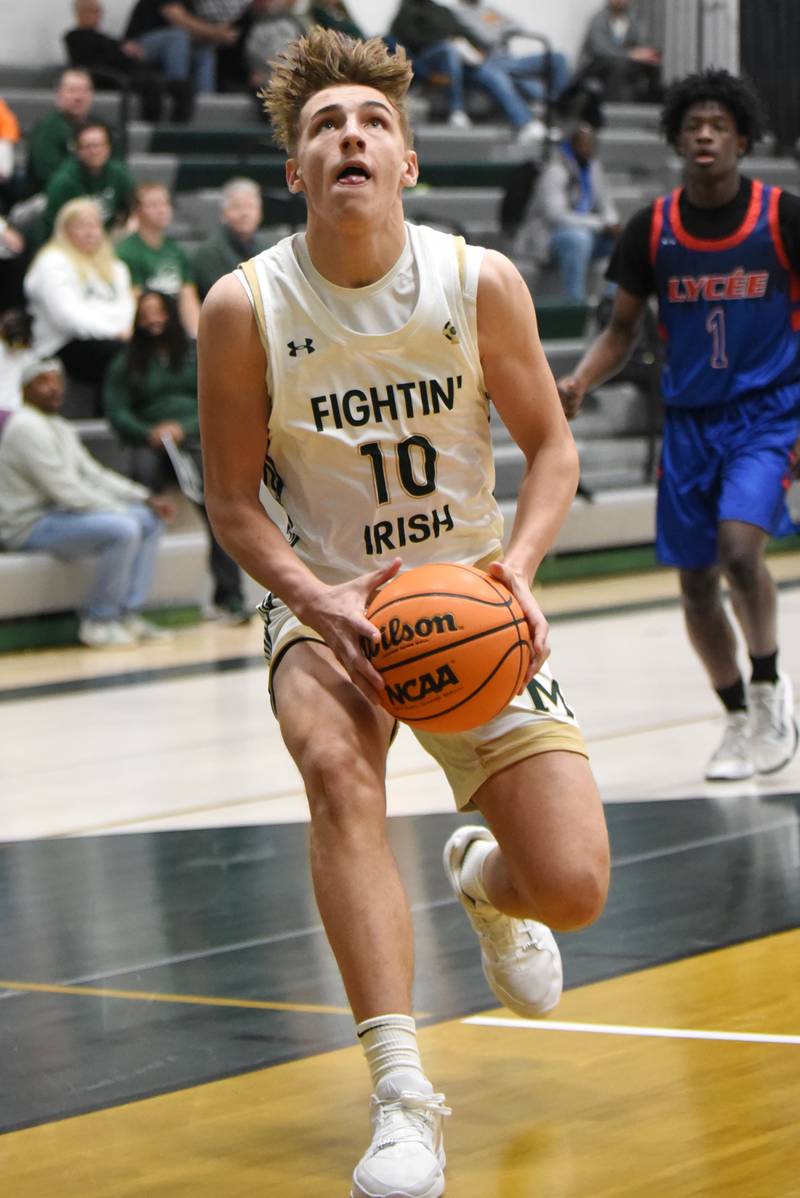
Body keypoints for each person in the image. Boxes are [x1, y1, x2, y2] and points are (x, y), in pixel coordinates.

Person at [197, 28, 609, 1198]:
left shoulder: (476, 281)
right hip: (326, 598)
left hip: (468, 599)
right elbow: (230, 503)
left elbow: (552, 450)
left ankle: (483, 880)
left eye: (371, 123)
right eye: (325, 126)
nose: (349, 138)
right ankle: (400, 1095)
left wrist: (517, 573)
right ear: (296, 173)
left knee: (573, 887)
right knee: (336, 769)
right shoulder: (245, 306)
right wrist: (315, 600)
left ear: (407, 162)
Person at [558, 69, 800, 783]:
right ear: (674, 139)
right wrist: (578, 381)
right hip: (690, 423)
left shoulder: (783, 216)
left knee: (739, 549)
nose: (704, 135)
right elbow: (622, 330)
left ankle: (769, 686)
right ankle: (735, 718)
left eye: (718, 126)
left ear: (742, 140)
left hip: (768, 412)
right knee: (694, 583)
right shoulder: (651, 229)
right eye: (692, 125)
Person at [0, 358, 175, 648]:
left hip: (57, 516)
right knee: (123, 528)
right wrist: (118, 509)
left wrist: (143, 496)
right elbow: (64, 490)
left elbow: (93, 474)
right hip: (27, 525)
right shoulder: (25, 427)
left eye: (57, 381)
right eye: (43, 381)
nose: (53, 388)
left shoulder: (57, 425)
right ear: (26, 389)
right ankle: (100, 620)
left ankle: (126, 613)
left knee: (149, 519)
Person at [104, 289, 248, 622]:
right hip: (149, 443)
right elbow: (117, 411)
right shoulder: (125, 362)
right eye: (145, 315)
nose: (153, 320)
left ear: (171, 314)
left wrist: (184, 426)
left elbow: (218, 399)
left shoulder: (196, 353)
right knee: (141, 494)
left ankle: (230, 598)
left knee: (218, 507)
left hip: (195, 439)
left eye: (159, 313)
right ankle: (130, 602)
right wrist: (148, 432)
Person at [389, 0, 546, 142]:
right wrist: (445, 40)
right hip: (433, 60)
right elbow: (410, 40)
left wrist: (477, 48)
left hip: (462, 63)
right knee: (449, 49)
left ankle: (526, 123)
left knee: (495, 76)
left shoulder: (444, 11)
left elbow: (465, 32)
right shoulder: (406, 12)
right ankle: (456, 110)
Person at [24, 197, 135, 393]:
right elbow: (67, 317)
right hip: (64, 345)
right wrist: (112, 332)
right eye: (81, 226)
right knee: (121, 359)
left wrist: (119, 331)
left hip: (113, 339)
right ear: (64, 230)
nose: (89, 232)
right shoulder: (52, 262)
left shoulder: (115, 266)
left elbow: (126, 308)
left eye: (94, 226)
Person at [519, 121, 620, 301]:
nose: (588, 148)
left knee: (624, 241)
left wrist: (612, 224)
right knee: (577, 239)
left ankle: (612, 303)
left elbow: (607, 204)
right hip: (550, 238)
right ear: (573, 145)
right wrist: (599, 225)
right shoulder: (555, 170)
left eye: (591, 144)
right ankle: (574, 305)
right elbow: (557, 216)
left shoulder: (594, 168)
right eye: (583, 144)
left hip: (588, 233)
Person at [64, 0, 194, 124]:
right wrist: (123, 53)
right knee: (152, 84)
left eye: (99, 11)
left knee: (183, 86)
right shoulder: (75, 37)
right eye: (93, 11)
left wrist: (130, 51)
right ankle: (151, 129)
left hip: (132, 73)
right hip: (110, 78)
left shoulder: (104, 37)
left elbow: (121, 51)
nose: (98, 16)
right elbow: (90, 63)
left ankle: (178, 130)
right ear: (80, 13)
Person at [116, 182, 201, 336]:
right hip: (146, 330)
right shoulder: (126, 252)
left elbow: (188, 297)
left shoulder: (176, 251)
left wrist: (197, 335)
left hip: (174, 328)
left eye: (165, 203)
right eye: (153, 205)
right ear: (137, 211)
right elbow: (132, 302)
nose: (162, 210)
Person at [453, 0, 571, 106]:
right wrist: (500, 29)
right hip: (488, 63)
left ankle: (559, 104)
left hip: (509, 60)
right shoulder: (457, 13)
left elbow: (518, 26)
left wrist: (497, 29)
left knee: (558, 58)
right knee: (530, 86)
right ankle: (555, 108)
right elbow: (486, 38)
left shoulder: (488, 10)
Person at [40, 120, 136, 242]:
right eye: (88, 146)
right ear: (77, 150)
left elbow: (134, 206)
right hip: (72, 240)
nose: (95, 151)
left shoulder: (118, 173)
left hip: (107, 238)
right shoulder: (64, 181)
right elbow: (54, 226)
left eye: (100, 145)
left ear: (108, 148)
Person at [124, 0, 238, 95]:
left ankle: (206, 101)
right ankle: (179, 93)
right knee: (178, 37)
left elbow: (196, 31)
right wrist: (216, 32)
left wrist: (219, 36)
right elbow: (176, 18)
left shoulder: (191, 4)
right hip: (136, 46)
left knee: (204, 48)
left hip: (171, 46)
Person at [191, 177, 269, 300]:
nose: (244, 213)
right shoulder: (209, 253)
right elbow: (223, 299)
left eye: (250, 206)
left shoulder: (268, 250)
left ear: (260, 212)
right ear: (223, 214)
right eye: (237, 207)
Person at [25, 69, 101, 196]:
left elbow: (115, 167)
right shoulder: (47, 129)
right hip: (49, 197)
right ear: (59, 94)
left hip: (96, 195)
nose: (78, 97)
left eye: (84, 91)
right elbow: (47, 176)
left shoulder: (101, 128)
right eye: (72, 91)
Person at [577, 0, 661, 104]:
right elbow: (600, 49)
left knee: (652, 62)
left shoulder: (633, 19)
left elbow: (640, 42)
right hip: (597, 65)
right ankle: (615, 109)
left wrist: (646, 53)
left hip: (624, 63)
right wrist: (630, 55)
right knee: (617, 64)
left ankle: (651, 106)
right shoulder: (598, 19)